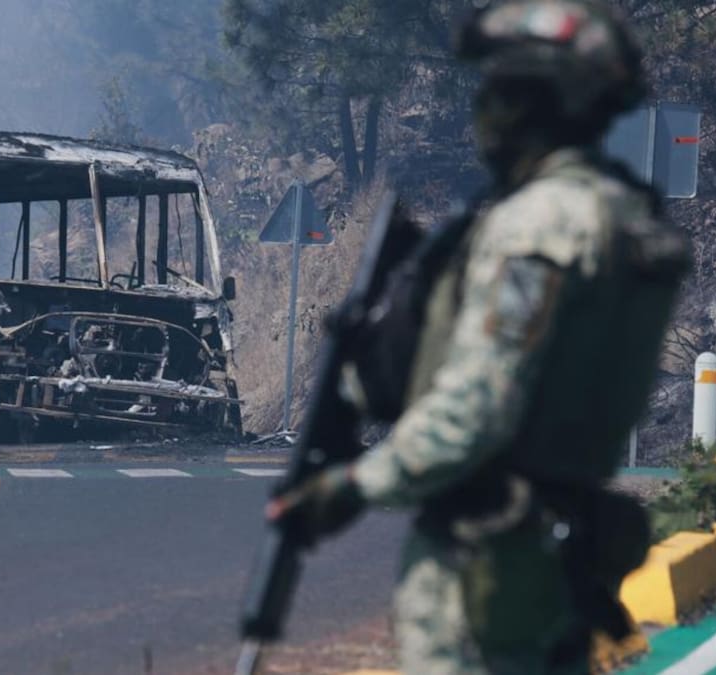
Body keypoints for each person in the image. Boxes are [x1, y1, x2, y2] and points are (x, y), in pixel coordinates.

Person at [267, 1, 692, 673]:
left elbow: (479, 406)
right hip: (563, 556)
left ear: (535, 100)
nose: (484, 111)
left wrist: (352, 484)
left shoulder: (538, 228)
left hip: (487, 564)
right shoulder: (629, 221)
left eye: (500, 89)